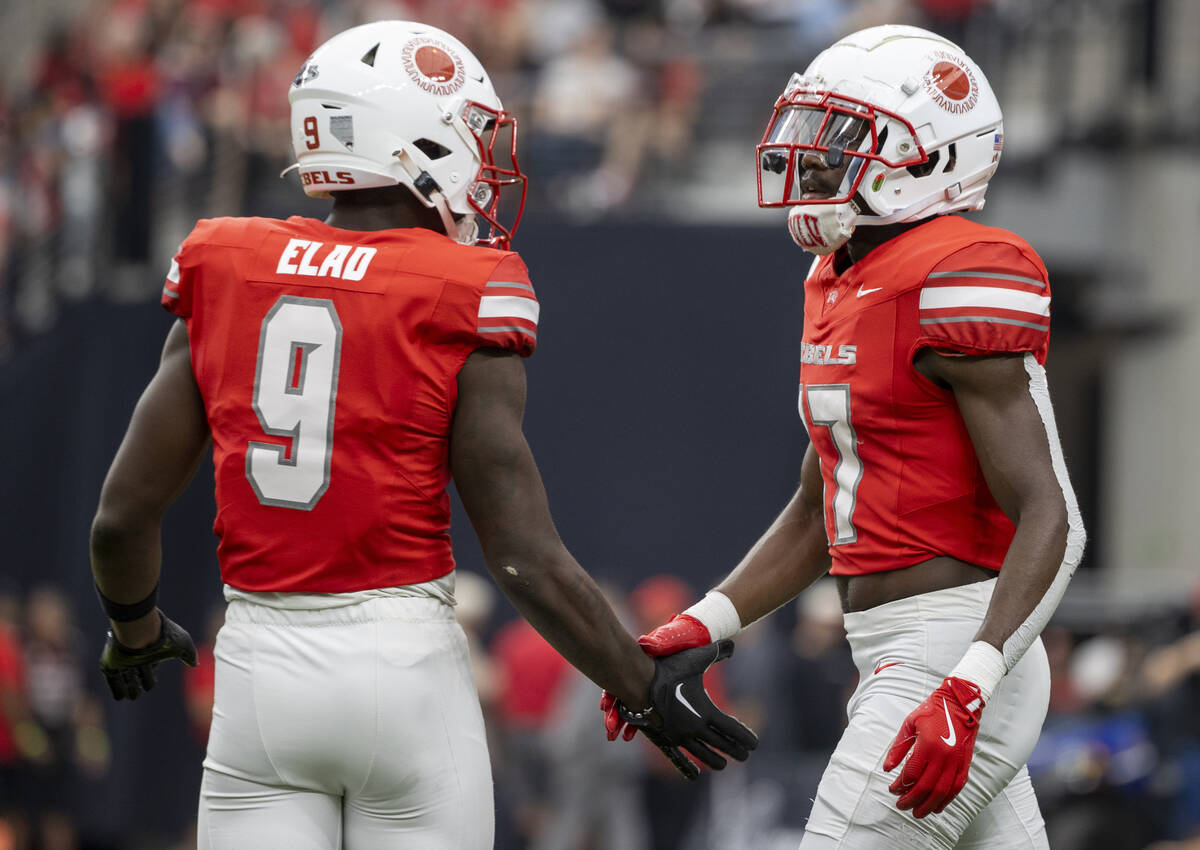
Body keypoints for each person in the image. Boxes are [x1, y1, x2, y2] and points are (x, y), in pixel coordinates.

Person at [87, 20, 755, 850]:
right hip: (398, 669)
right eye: (471, 132)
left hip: (259, 672)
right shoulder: (463, 283)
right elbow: (520, 553)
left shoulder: (224, 260)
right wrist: (641, 686)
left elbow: (120, 518)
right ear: (414, 142)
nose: (484, 158)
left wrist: (134, 630)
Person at [605, 24, 1086, 850]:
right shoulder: (838, 275)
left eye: (844, 138)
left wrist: (967, 685)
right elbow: (822, 497)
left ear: (931, 158)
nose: (813, 159)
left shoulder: (960, 269)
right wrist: (707, 622)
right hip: (901, 655)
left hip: (957, 652)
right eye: (812, 132)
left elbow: (1055, 515)